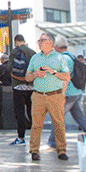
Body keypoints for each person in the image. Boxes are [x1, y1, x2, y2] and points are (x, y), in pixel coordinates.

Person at [25, 32, 71, 161]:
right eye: (39, 40)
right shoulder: (35, 58)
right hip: (38, 95)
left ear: (50, 42)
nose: (39, 42)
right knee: (36, 125)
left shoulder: (59, 58)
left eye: (41, 40)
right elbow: (27, 77)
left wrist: (53, 72)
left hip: (55, 95)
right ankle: (34, 150)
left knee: (58, 124)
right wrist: (35, 74)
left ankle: (61, 150)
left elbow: (67, 76)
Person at [48, 39, 86, 149]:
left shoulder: (63, 59)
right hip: (76, 92)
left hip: (68, 93)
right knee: (80, 117)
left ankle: (53, 143)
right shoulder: (72, 56)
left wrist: (62, 94)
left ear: (57, 47)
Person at [7, 35, 35, 145]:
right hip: (31, 86)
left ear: (16, 42)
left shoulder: (14, 51)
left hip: (18, 86)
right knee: (31, 112)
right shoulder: (32, 52)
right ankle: (34, 137)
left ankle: (21, 137)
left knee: (19, 112)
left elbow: (9, 67)